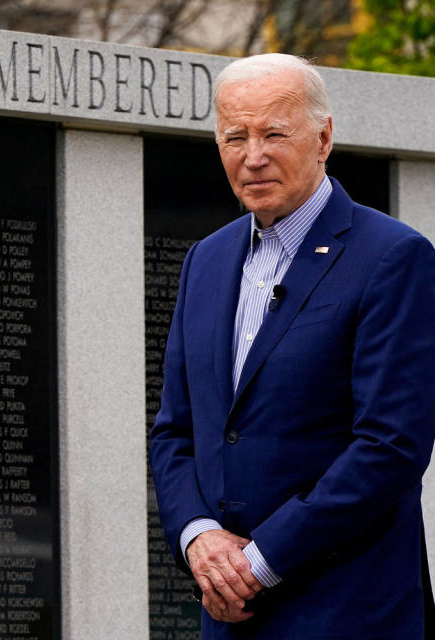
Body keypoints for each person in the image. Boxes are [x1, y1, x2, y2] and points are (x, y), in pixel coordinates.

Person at [149, 53, 435, 639]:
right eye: (235, 137)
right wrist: (198, 538)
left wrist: (255, 565)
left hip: (350, 612)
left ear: (324, 137)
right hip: (229, 616)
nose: (253, 156)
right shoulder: (204, 261)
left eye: (274, 133)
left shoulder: (393, 257)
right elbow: (176, 430)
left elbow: (391, 446)